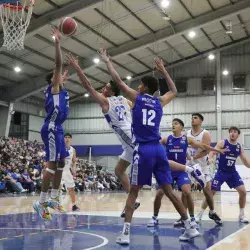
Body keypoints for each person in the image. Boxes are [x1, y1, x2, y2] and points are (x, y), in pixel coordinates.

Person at [66, 52, 205, 219]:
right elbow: (139, 106)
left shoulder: (106, 102)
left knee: (156, 165)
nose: (103, 88)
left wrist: (78, 68)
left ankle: (190, 169)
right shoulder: (125, 100)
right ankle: (132, 200)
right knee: (118, 170)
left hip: (130, 137)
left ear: (111, 91)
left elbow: (88, 85)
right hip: (129, 138)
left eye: (105, 87)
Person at [98, 48, 202, 244]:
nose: (137, 86)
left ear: (144, 87)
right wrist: (164, 71)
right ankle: (189, 227)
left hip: (143, 149)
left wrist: (107, 61)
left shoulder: (137, 98)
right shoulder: (159, 101)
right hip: (159, 150)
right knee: (169, 191)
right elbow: (174, 91)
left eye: (140, 84)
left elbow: (118, 81)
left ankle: (126, 234)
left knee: (134, 191)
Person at [147, 118, 226, 228]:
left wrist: (217, 150)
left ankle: (192, 218)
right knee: (159, 193)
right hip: (167, 171)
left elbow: (203, 146)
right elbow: (154, 145)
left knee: (187, 192)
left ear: (181, 127)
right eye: (172, 123)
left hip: (181, 171)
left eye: (176, 123)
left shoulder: (187, 139)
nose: (173, 125)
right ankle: (154, 217)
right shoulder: (166, 139)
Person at [33, 27, 69, 220]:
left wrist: (61, 79)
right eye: (59, 76)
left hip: (59, 129)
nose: (62, 77)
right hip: (52, 128)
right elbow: (58, 63)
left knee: (62, 161)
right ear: (54, 80)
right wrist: (57, 43)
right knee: (52, 164)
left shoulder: (59, 89)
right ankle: (41, 202)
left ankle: (54, 199)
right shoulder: (55, 88)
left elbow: (59, 76)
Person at [202, 126, 250, 223]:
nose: (232, 133)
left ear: (238, 135)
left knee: (243, 192)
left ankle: (241, 215)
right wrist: (211, 158)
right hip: (221, 172)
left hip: (232, 173)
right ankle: (200, 214)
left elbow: (244, 160)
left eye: (235, 132)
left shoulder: (238, 147)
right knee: (211, 193)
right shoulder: (223, 142)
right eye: (231, 131)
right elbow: (213, 151)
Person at [187, 113, 222, 225]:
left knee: (207, 191)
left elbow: (206, 150)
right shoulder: (187, 133)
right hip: (190, 166)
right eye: (192, 117)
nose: (193, 119)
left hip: (202, 167)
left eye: (195, 118)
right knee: (185, 191)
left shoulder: (205, 133)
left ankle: (211, 212)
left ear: (201, 121)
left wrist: (194, 157)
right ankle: (185, 216)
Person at [62, 133, 80, 212]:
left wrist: (74, 171)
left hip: (67, 170)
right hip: (59, 170)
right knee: (58, 188)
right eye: (65, 137)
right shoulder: (60, 147)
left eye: (69, 137)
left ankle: (74, 205)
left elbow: (73, 162)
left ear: (71, 139)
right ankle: (59, 205)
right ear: (63, 139)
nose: (67, 139)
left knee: (71, 188)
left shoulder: (73, 150)